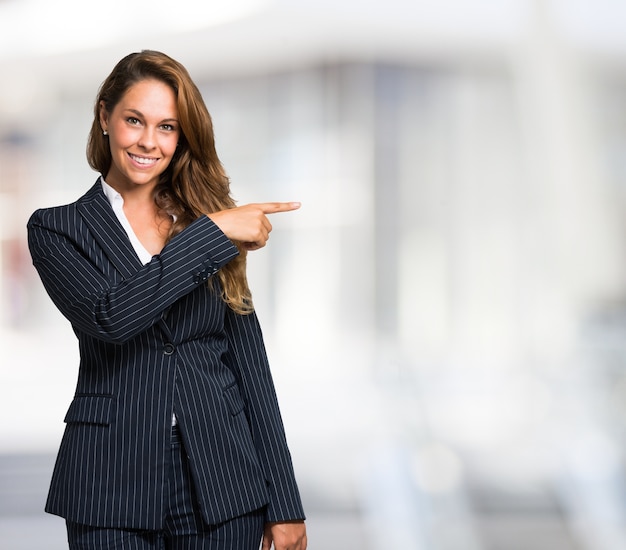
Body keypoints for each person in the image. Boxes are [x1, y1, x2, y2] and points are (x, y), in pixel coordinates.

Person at [27, 50, 307, 550]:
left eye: (167, 127)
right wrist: (215, 232)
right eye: (134, 120)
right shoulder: (57, 228)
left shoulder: (205, 222)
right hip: (111, 479)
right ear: (105, 117)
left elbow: (249, 365)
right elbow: (111, 316)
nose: (148, 142)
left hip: (224, 480)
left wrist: (284, 500)